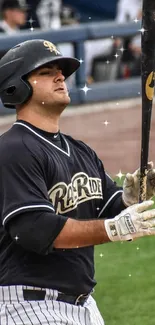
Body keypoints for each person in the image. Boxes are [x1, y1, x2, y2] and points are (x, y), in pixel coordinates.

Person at [0, 39, 155, 325]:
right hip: (29, 305)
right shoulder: (13, 149)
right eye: (45, 72)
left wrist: (128, 200)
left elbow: (108, 208)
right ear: (16, 87)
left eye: (60, 70)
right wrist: (113, 229)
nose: (60, 76)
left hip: (84, 305)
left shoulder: (80, 151)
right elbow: (34, 230)